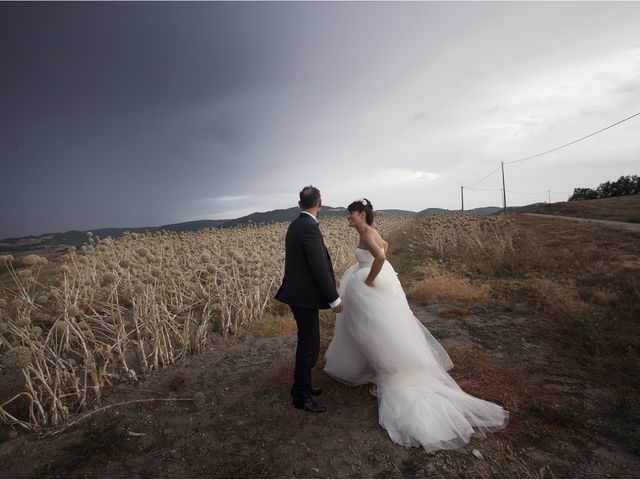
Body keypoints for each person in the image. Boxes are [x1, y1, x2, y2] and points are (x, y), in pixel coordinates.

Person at [324, 198, 508, 452]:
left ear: (362, 215)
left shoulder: (366, 234)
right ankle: (379, 361)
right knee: (376, 327)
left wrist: (368, 280)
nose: (348, 217)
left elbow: (379, 256)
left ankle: (385, 365)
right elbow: (385, 246)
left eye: (351, 214)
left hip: (368, 282)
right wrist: (368, 269)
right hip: (371, 277)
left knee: (372, 329)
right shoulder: (370, 231)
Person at [276, 186, 344, 413]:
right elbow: (319, 267)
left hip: (297, 295)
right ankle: (301, 397)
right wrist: (334, 299)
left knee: (306, 342)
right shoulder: (309, 228)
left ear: (299, 204)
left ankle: (301, 387)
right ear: (320, 203)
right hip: (304, 297)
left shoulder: (295, 225)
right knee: (310, 346)